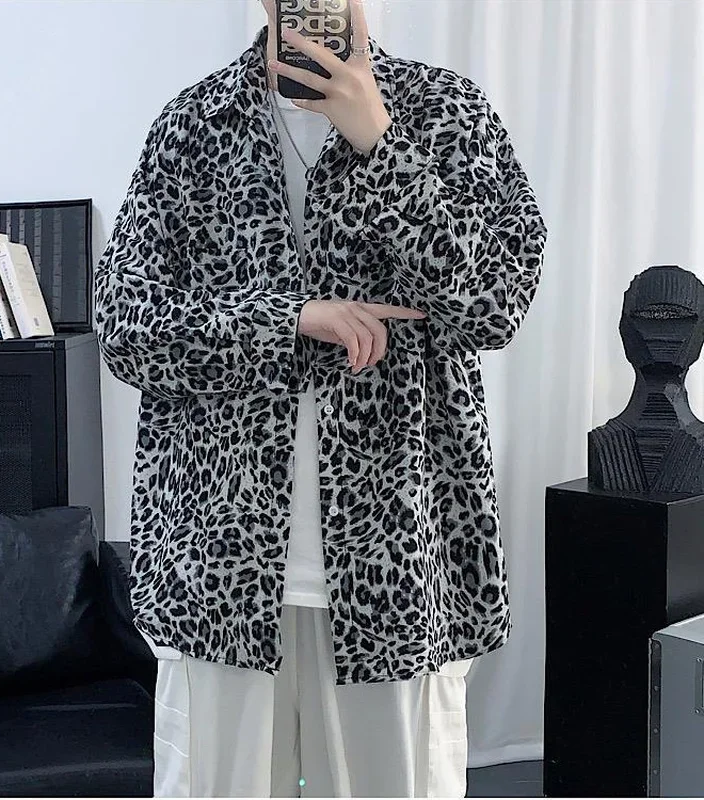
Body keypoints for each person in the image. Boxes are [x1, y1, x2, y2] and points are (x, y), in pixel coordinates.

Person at [94, 0, 548, 796]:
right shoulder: (194, 125)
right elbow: (127, 326)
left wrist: (381, 142)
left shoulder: (444, 109)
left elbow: (493, 304)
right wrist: (291, 319)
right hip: (218, 561)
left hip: (401, 553)